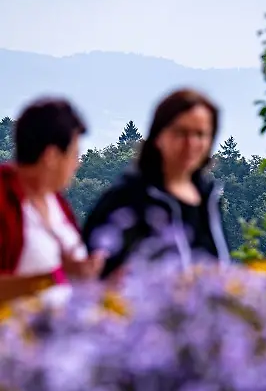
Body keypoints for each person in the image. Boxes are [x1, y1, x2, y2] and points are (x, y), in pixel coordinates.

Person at [82, 88, 230, 279]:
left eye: (200, 134)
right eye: (181, 132)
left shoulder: (208, 196)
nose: (191, 143)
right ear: (159, 136)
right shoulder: (128, 197)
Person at [0, 98, 106, 305]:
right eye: (74, 154)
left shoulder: (57, 202)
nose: (77, 164)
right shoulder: (4, 199)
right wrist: (56, 277)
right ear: (51, 156)